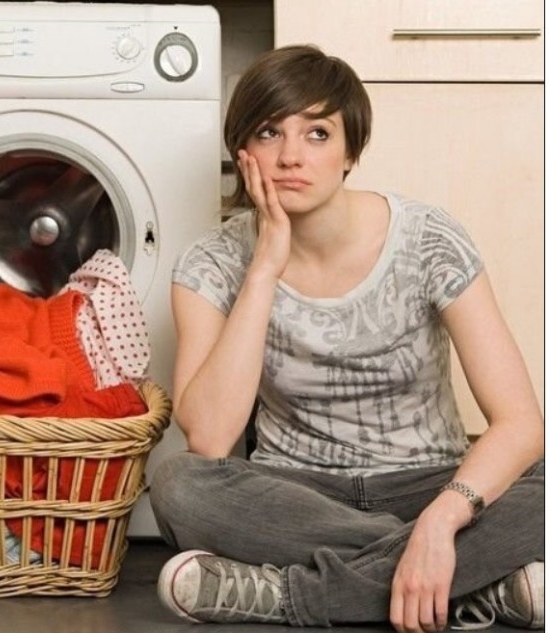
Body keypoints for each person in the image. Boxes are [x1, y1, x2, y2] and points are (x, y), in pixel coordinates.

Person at [149, 44, 544, 632]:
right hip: (296, 494)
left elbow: (520, 422)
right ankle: (469, 585)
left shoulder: (428, 239)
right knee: (177, 483)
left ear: (350, 150)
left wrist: (441, 521)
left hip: (429, 483)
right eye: (268, 132)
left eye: (316, 133)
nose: (289, 157)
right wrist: (265, 268)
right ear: (242, 151)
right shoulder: (210, 263)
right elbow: (209, 437)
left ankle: (285, 595)